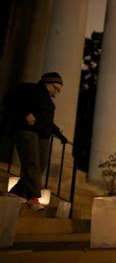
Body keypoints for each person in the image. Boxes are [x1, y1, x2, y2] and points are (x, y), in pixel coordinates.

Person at [3, 72, 68, 211]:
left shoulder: (50, 104)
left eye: (59, 90)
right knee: (31, 163)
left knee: (40, 167)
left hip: (43, 135)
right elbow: (10, 99)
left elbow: (48, 122)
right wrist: (24, 114)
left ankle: (17, 193)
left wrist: (59, 135)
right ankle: (34, 198)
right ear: (47, 82)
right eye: (55, 88)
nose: (56, 92)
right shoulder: (29, 89)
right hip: (27, 130)